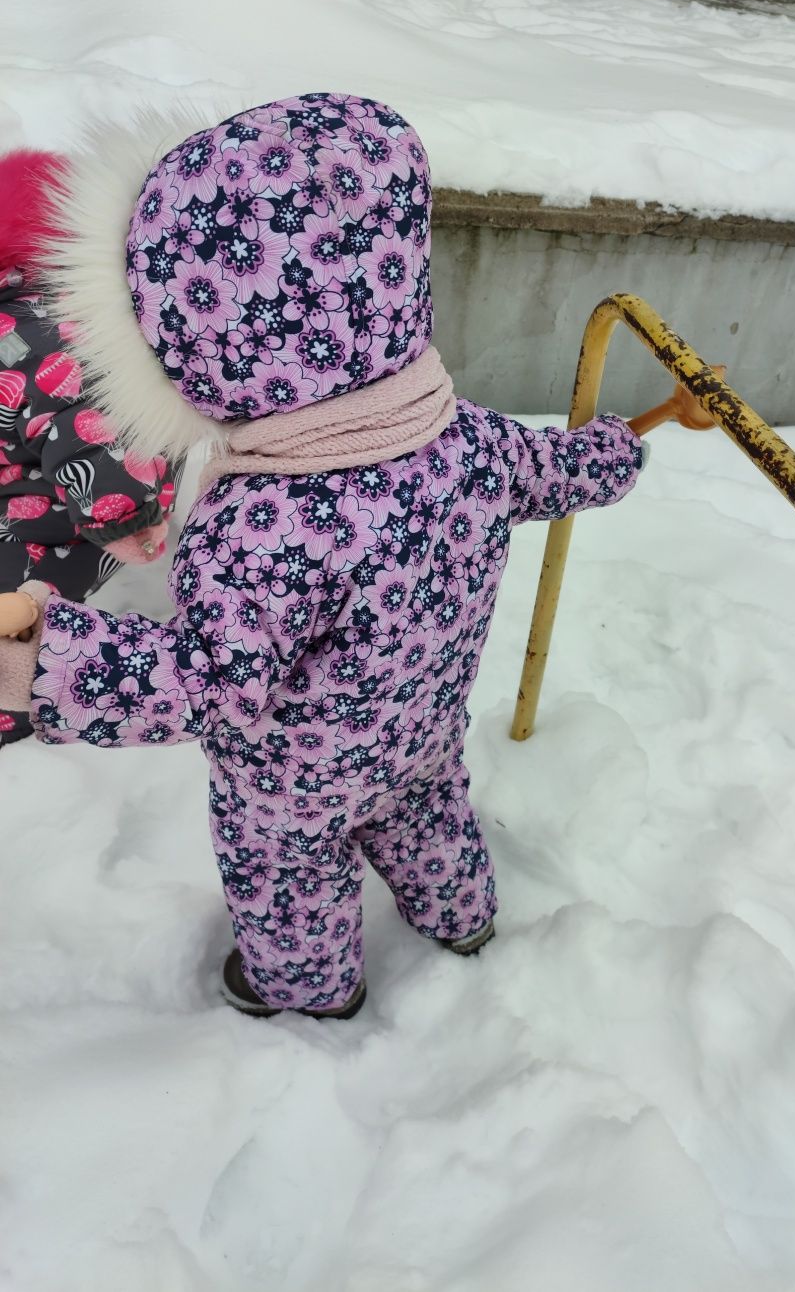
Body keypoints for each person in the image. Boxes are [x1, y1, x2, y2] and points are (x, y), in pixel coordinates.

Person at [0, 94, 644, 1020]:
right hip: (420, 718)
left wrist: (34, 649)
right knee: (428, 806)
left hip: (291, 780)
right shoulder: (468, 439)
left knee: (285, 878)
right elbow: (558, 468)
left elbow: (206, 685)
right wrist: (616, 452)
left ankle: (307, 989)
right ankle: (459, 914)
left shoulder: (258, 525)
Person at [0, 149, 175, 748]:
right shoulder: (77, 317)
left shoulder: (51, 341)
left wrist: (126, 514)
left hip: (51, 530)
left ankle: (13, 700)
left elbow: (98, 431)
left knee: (18, 613)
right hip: (24, 496)